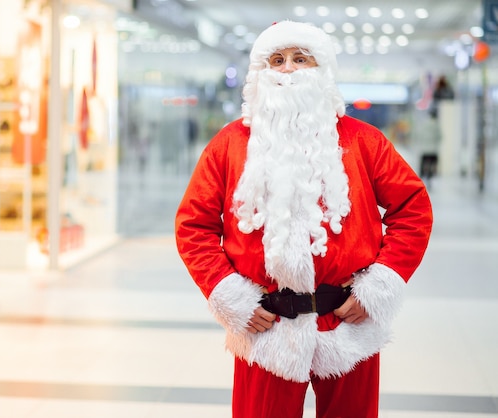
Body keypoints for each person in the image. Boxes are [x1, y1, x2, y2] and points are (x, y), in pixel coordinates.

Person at [174, 21, 433, 418]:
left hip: (347, 324)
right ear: (260, 73)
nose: (289, 69)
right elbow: (193, 224)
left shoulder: (364, 141)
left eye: (300, 58)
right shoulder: (229, 144)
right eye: (277, 60)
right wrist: (230, 296)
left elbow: (412, 208)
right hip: (265, 328)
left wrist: (376, 289)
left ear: (321, 69)